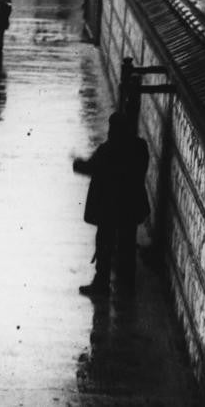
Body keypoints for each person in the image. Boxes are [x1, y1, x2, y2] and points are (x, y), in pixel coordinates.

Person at [72, 111, 150, 296]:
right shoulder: (140, 147)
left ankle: (101, 284)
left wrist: (77, 163)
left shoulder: (108, 150)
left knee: (104, 244)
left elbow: (90, 167)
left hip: (109, 208)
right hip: (130, 207)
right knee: (127, 244)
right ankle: (126, 283)